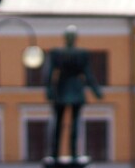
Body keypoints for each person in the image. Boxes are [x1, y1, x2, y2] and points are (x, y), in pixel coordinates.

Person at [44, 25, 103, 161]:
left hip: (62, 87)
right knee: (70, 123)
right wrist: (96, 91)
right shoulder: (79, 54)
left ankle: (57, 153)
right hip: (73, 88)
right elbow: (88, 74)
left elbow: (49, 73)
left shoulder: (58, 53)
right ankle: (71, 153)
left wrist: (49, 89)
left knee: (62, 123)